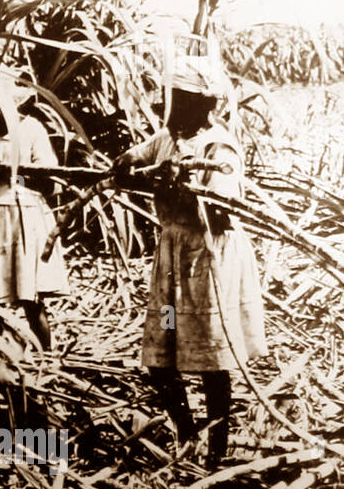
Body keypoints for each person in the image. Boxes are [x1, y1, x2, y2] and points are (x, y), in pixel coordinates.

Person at [113, 46, 267, 466]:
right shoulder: (169, 137)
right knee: (160, 354)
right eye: (171, 97)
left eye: (182, 99)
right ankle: (186, 431)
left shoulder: (220, 148)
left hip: (207, 265)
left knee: (212, 358)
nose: (172, 106)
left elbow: (223, 213)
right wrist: (127, 162)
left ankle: (215, 447)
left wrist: (183, 187)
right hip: (172, 267)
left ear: (205, 105)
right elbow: (141, 155)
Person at [0, 70, 71, 354]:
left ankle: (46, 356)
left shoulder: (31, 129)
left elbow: (51, 181)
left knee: (31, 296)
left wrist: (14, 174)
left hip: (27, 216)